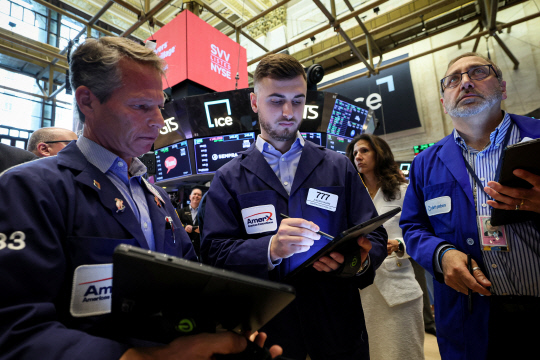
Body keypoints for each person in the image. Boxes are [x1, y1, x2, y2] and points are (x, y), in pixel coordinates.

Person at [0, 36, 281, 360]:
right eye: (140, 106)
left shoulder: (156, 196)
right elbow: (15, 328)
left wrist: (221, 330)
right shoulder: (29, 189)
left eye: (158, 106)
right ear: (87, 101)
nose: (159, 121)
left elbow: (190, 286)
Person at [201, 53, 388, 360]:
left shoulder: (338, 166)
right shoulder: (229, 178)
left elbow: (376, 237)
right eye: (276, 101)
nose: (288, 112)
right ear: (254, 102)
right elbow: (214, 253)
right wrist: (270, 249)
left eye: (297, 101)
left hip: (337, 326)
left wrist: (353, 262)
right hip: (268, 331)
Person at [400, 52, 540, 360]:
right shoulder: (426, 163)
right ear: (443, 101)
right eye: (453, 79)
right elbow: (412, 227)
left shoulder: (538, 136)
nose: (465, 82)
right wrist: (442, 254)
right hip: (471, 313)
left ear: (502, 88)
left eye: (478, 72)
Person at [346, 134, 424, 360]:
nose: (357, 157)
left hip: (398, 286)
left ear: (380, 154)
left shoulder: (403, 191)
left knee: (404, 352)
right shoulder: (351, 196)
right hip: (361, 289)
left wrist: (399, 244)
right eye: (354, 153)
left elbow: (422, 232)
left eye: (364, 151)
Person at [178, 187, 203, 257]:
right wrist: (184, 227)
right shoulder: (180, 211)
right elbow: (175, 225)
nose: (196, 196)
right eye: (194, 194)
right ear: (190, 197)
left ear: (201, 198)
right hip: (185, 246)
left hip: (200, 248)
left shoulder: (205, 212)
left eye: (199, 195)